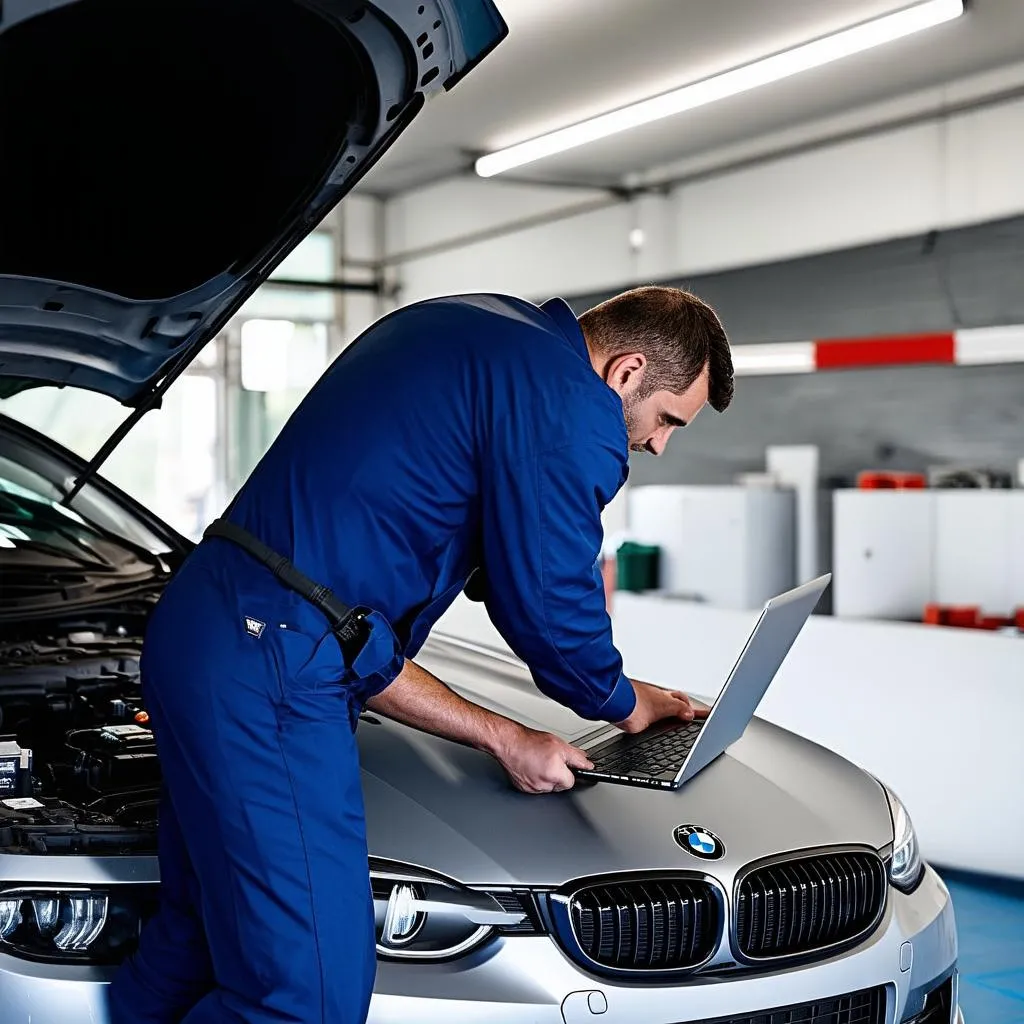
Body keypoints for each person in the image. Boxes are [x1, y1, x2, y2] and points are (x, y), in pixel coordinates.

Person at [109, 286, 734, 1024]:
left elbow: (461, 570)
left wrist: (510, 727)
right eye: (666, 420)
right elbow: (549, 603)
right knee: (305, 999)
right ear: (626, 372)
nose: (658, 443)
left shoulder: (483, 325)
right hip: (272, 655)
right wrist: (623, 703)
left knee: (198, 930)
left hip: (208, 623)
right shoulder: (569, 401)